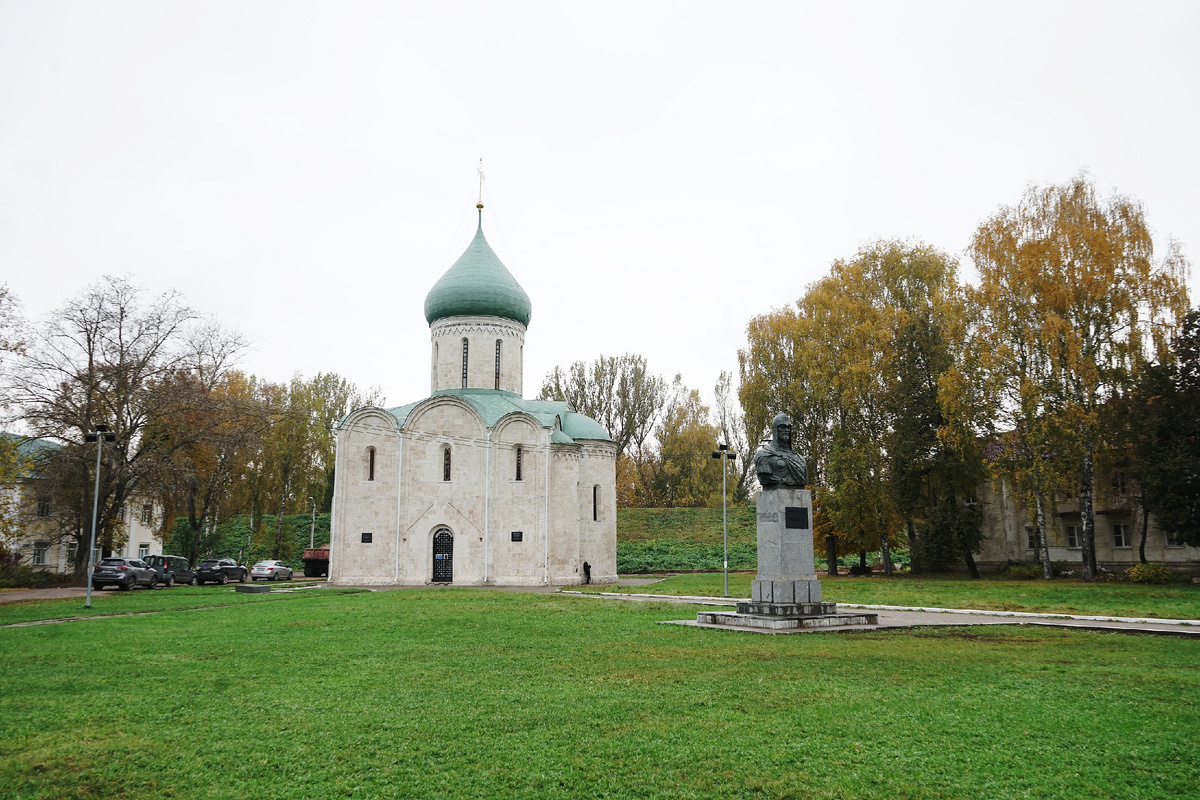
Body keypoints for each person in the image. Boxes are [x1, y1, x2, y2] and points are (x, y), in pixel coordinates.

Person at [754, 413, 807, 489]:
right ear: (776, 430)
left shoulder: (800, 459)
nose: (786, 430)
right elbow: (764, 477)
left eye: (788, 427)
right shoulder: (764, 455)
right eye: (783, 427)